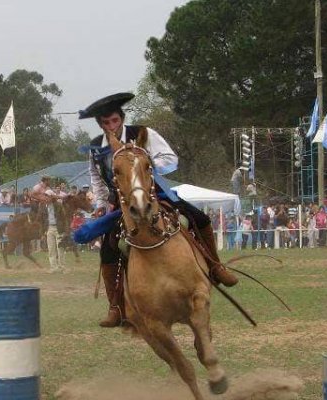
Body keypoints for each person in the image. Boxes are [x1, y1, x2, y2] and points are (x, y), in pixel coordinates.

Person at [80, 92, 237, 328]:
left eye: (115, 120)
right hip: (122, 201)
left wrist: (147, 162)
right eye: (106, 123)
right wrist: (101, 205)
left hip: (155, 193)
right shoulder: (95, 147)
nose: (112, 126)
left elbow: (170, 158)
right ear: (101, 124)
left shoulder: (142, 134)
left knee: (200, 218)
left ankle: (215, 267)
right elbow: (96, 177)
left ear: (121, 118)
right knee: (109, 247)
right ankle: (116, 305)